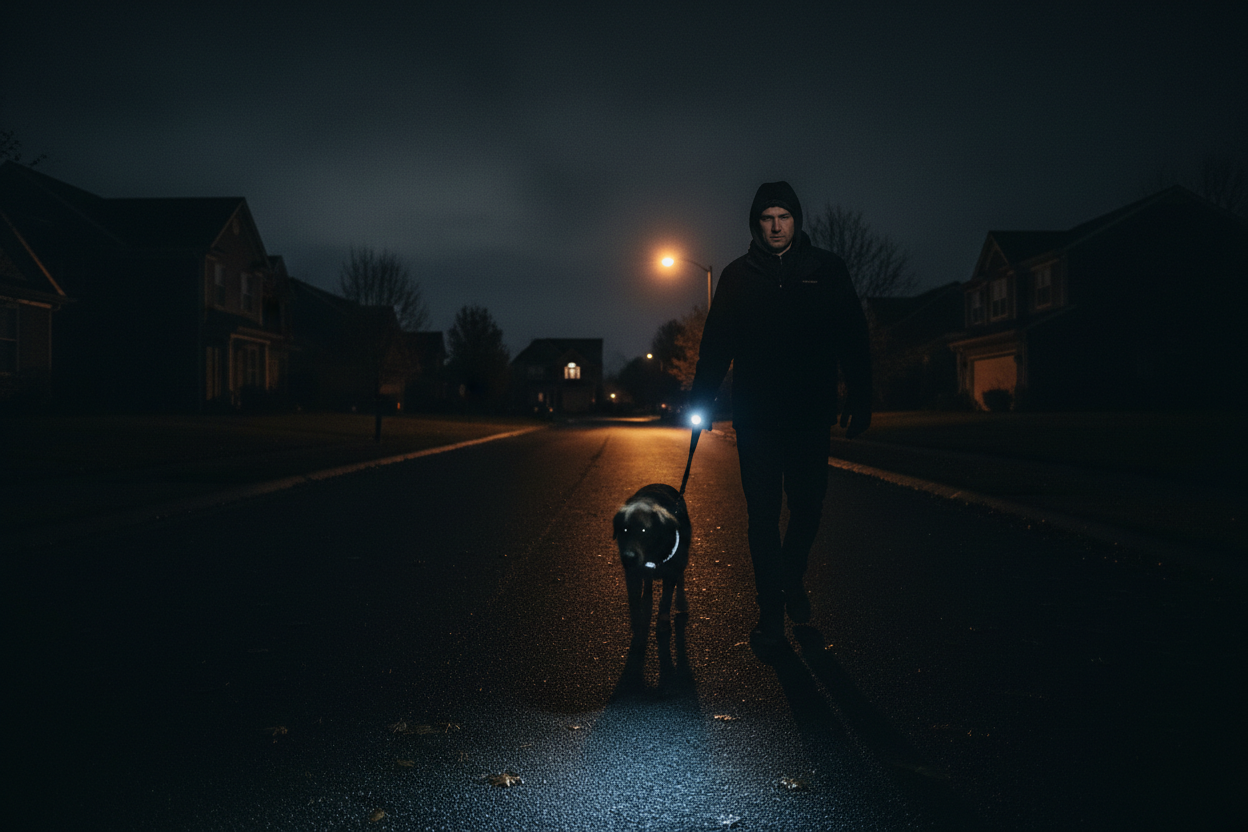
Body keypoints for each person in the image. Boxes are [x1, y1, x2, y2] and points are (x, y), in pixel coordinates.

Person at [689, 180, 872, 651]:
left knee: (808, 508)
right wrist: (703, 398)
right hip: (757, 418)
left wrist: (861, 393)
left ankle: (791, 577)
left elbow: (852, 333)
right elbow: (716, 345)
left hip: (811, 414)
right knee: (763, 516)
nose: (776, 226)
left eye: (784, 217)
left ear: (796, 221)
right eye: (768, 218)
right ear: (756, 222)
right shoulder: (736, 276)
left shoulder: (826, 270)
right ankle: (770, 612)